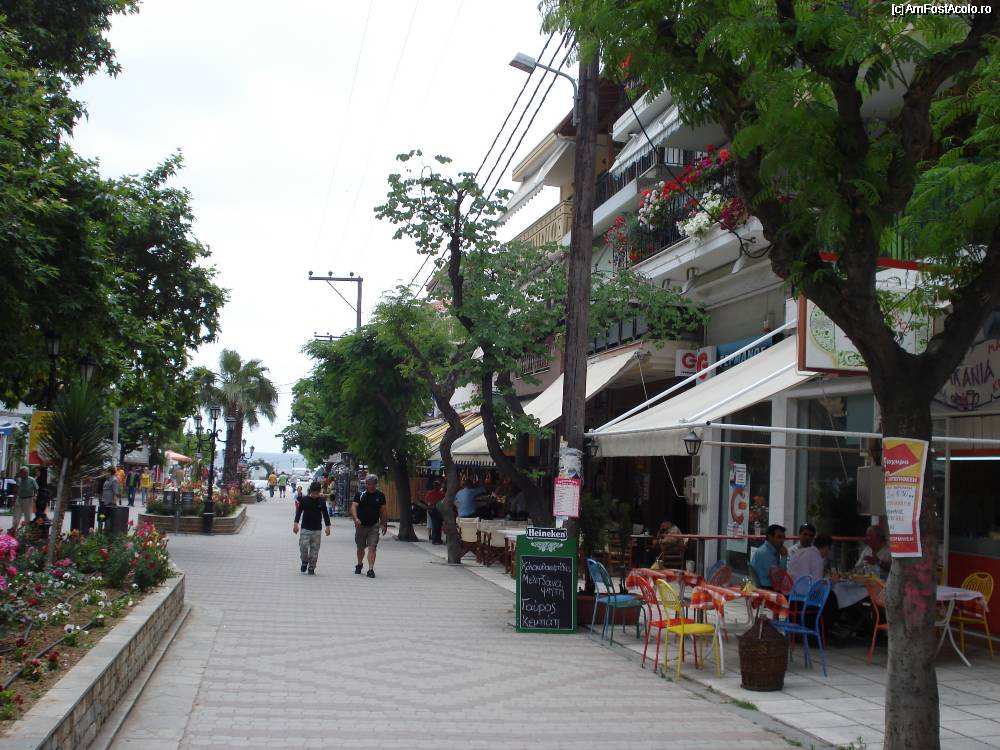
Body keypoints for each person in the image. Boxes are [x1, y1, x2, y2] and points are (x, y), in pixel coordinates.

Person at [352, 474, 387, 578]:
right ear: (366, 484)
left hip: (374, 525)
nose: (370, 486)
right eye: (368, 484)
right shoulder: (360, 494)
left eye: (372, 484)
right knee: (360, 547)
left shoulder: (380, 495)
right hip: (361, 526)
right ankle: (359, 564)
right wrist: (356, 518)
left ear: (375, 484)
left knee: (372, 547)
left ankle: (370, 569)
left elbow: (383, 510)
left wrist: (384, 524)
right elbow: (353, 507)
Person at [293, 481, 331, 574]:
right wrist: (295, 524)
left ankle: (312, 567)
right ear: (310, 491)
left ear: (319, 492)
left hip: (317, 529)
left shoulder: (321, 501)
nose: (315, 495)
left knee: (315, 550)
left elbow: (325, 514)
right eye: (313, 493)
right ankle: (304, 561)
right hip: (305, 528)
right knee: (303, 546)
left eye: (317, 493)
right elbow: (299, 512)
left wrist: (328, 526)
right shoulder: (304, 500)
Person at [749, 524, 787, 589]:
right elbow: (778, 578)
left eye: (783, 538)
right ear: (770, 537)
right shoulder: (766, 553)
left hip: (768, 585)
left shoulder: (773, 550)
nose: (782, 541)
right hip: (766, 588)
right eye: (779, 537)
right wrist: (784, 556)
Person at [424, 480, 445, 545]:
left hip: (431, 510)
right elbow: (443, 500)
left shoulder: (430, 493)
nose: (439, 487)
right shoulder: (440, 493)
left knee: (436, 524)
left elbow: (426, 500)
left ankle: (437, 539)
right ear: (437, 486)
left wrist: (430, 503)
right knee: (436, 524)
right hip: (436, 510)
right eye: (438, 486)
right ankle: (436, 540)